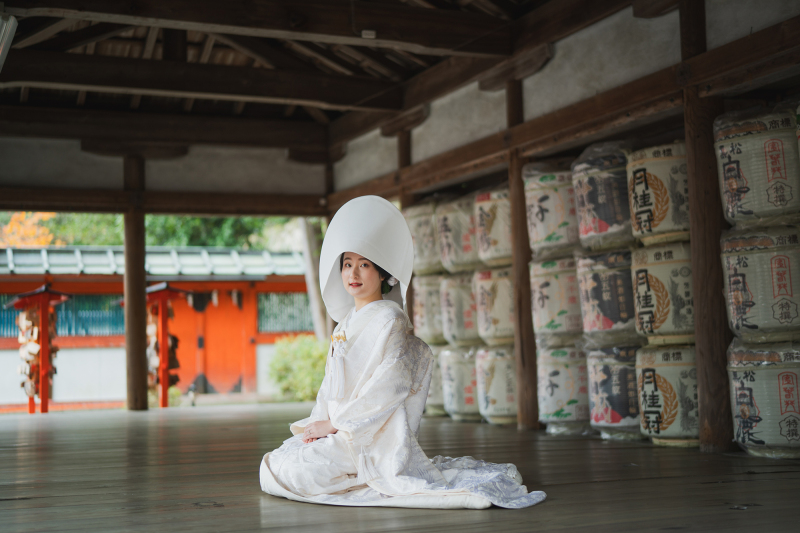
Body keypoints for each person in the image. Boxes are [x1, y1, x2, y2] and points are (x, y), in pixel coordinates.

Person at [259, 196, 546, 509]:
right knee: (277, 462)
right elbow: (329, 387)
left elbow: (389, 386)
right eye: (347, 265)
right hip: (338, 429)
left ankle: (360, 473)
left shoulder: (391, 318)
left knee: (296, 473)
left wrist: (335, 424)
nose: (353, 273)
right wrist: (319, 423)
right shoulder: (345, 322)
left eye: (364, 265)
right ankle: (346, 471)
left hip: (367, 435)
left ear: (382, 273)